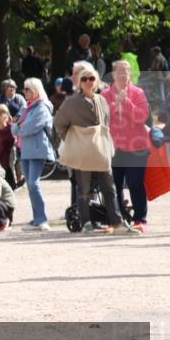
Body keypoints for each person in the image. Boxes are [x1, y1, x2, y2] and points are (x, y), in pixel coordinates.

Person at [54, 66, 140, 235]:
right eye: (84, 79)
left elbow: (106, 122)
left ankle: (117, 222)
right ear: (80, 83)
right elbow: (59, 123)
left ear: (96, 82)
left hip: (100, 149)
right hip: (83, 151)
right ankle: (86, 223)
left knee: (110, 187)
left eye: (91, 78)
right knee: (83, 188)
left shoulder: (101, 100)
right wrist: (72, 139)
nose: (88, 82)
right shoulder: (71, 102)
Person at [103, 60, 151, 232]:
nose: (123, 75)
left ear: (130, 74)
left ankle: (140, 220)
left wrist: (127, 103)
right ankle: (118, 219)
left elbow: (142, 117)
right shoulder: (105, 94)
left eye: (126, 72)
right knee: (113, 186)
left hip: (136, 147)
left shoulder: (138, 93)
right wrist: (115, 104)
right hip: (113, 148)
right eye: (119, 72)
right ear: (113, 74)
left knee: (135, 183)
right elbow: (102, 118)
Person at [12, 78, 54, 231]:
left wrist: (18, 127)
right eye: (24, 89)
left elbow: (28, 128)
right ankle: (37, 219)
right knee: (30, 186)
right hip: (25, 150)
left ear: (36, 90)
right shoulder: (26, 108)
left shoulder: (42, 108)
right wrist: (18, 126)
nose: (24, 92)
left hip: (37, 150)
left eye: (27, 89)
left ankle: (42, 219)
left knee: (33, 183)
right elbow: (14, 126)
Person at [0, 104, 18, 189]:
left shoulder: (10, 129)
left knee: (9, 181)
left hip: (7, 161)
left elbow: (11, 145)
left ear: (4, 116)